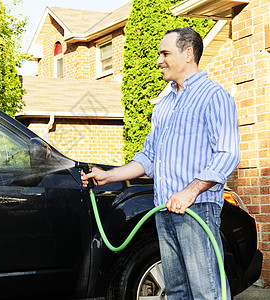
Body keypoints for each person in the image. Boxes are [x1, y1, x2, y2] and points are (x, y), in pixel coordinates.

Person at [81, 27, 240, 300]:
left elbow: (228, 154)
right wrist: (109, 175)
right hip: (163, 209)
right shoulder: (164, 105)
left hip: (197, 211)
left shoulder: (214, 97)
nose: (158, 61)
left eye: (165, 53)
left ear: (188, 53)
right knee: (176, 291)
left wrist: (189, 193)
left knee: (206, 292)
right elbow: (149, 158)